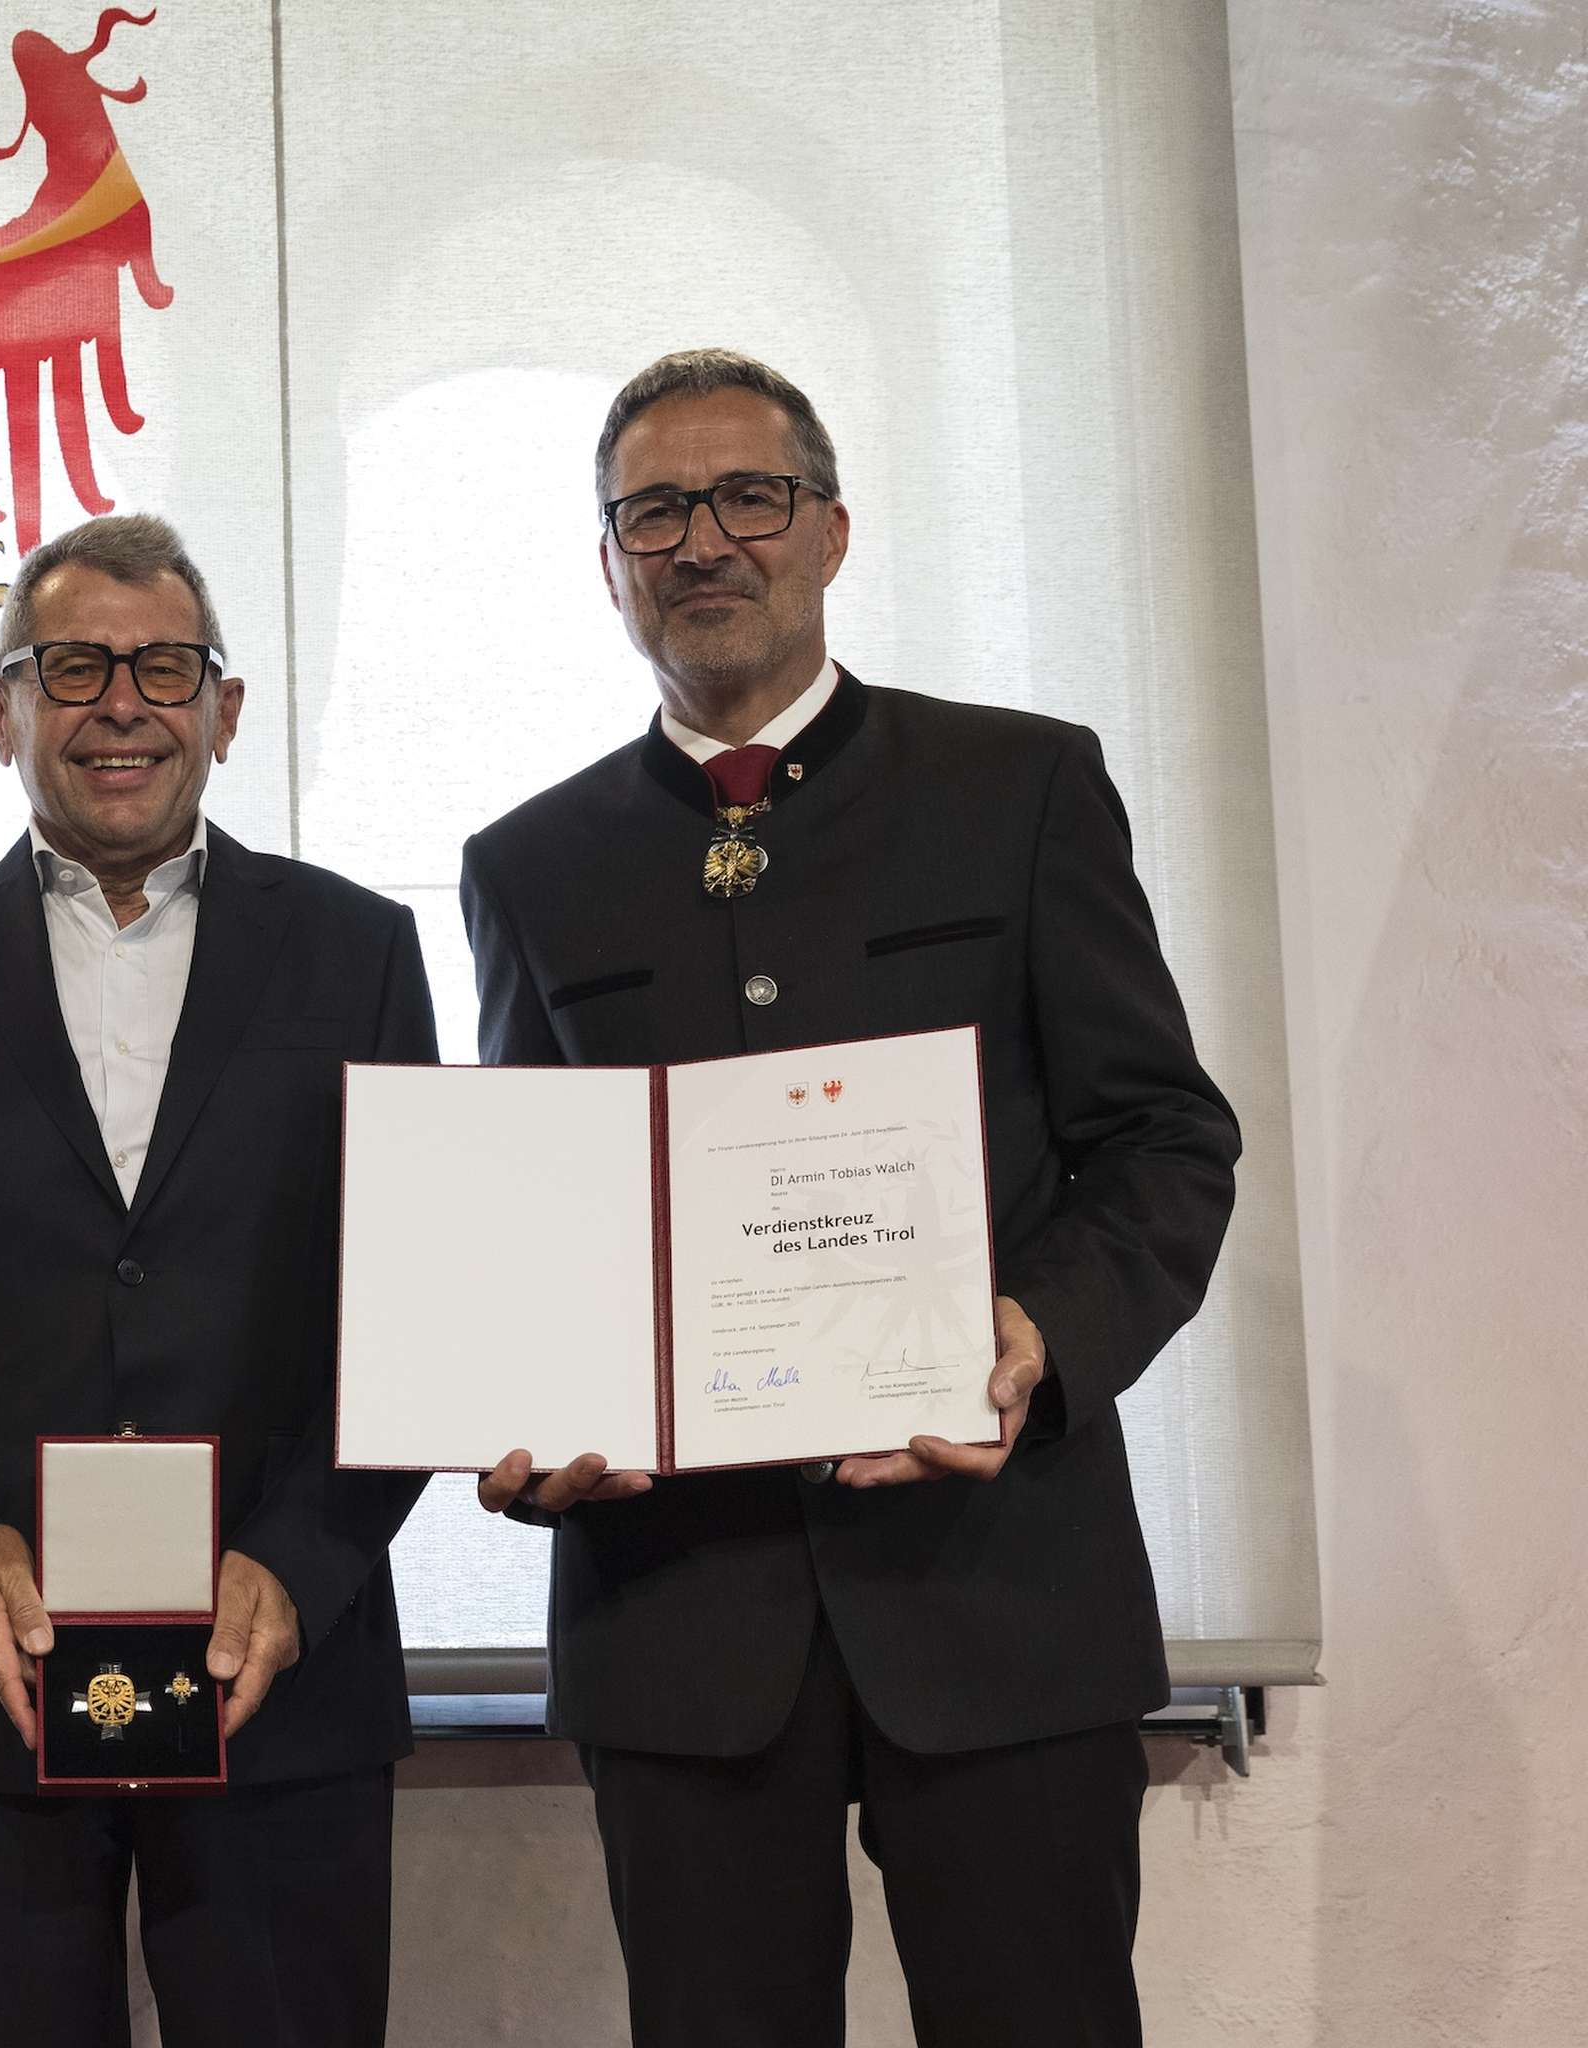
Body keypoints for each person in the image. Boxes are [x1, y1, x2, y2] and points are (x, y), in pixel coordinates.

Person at [459, 348, 1241, 2047]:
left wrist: (1036, 1334)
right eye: (654, 510)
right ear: (609, 564)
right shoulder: (531, 862)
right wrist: (521, 1428)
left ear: (830, 532)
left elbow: (1168, 1142)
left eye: (751, 496)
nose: (703, 541)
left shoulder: (1018, 788)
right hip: (676, 1617)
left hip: (1001, 1591)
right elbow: (537, 1220)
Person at [0, 514, 435, 2046]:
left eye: (164, 666)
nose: (121, 703)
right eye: (73, 667)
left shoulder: (360, 953)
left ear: (226, 708)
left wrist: (303, 1564)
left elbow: (415, 1319)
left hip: (280, 1686)